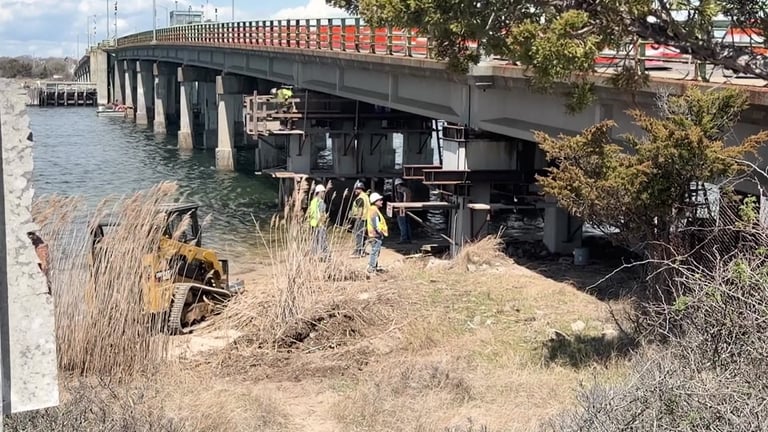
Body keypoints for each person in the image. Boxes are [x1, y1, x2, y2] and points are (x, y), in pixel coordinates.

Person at [366, 192, 388, 273]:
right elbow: (376, 224)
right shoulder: (373, 211)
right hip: (375, 235)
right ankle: (371, 268)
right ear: (375, 201)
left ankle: (373, 266)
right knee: (375, 252)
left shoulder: (373, 209)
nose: (382, 201)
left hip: (374, 234)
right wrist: (380, 232)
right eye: (380, 200)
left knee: (375, 251)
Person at [347, 180, 370, 258]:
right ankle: (361, 250)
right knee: (362, 235)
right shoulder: (366, 196)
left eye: (356, 189)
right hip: (365, 218)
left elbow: (360, 211)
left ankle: (358, 251)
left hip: (360, 219)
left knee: (358, 235)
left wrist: (355, 217)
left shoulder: (360, 198)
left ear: (360, 189)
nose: (355, 191)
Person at [307, 184, 330, 259]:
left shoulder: (313, 201)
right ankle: (324, 255)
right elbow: (322, 214)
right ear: (319, 192)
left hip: (313, 224)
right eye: (323, 192)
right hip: (320, 224)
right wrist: (325, 222)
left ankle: (314, 254)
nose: (324, 193)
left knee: (314, 240)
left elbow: (310, 212)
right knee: (322, 240)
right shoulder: (321, 202)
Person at [394, 178, 412, 244]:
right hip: (408, 208)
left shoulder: (401, 191)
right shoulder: (407, 190)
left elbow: (401, 201)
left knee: (402, 224)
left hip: (401, 209)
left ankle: (404, 239)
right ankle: (409, 238)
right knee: (407, 223)